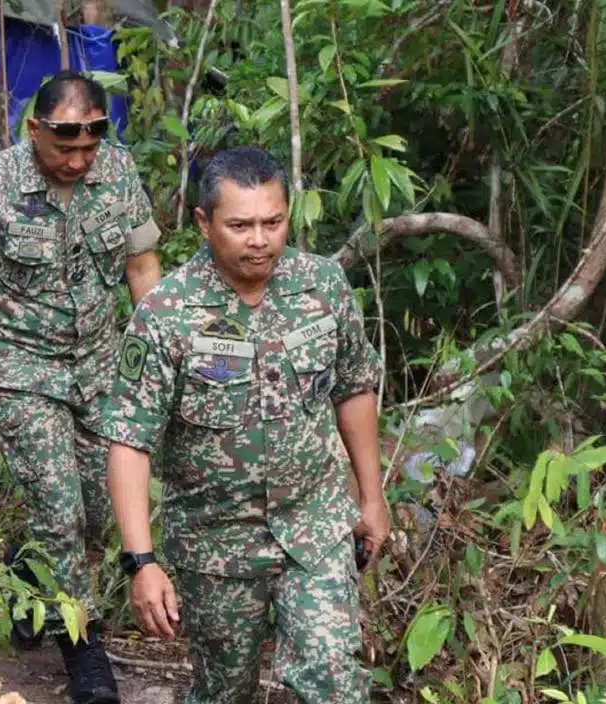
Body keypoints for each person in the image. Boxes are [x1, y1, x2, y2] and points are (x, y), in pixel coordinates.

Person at [99, 146, 391, 703]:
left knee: (334, 677)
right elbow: (130, 441)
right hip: (217, 543)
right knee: (224, 691)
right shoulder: (166, 315)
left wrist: (371, 498)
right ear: (204, 223)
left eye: (272, 222)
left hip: (315, 525)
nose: (259, 239)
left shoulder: (323, 288)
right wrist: (142, 561)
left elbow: (354, 389)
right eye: (240, 225)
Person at [0, 71, 162, 703]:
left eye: (89, 147)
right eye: (63, 147)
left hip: (102, 365)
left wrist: (156, 368)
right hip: (22, 367)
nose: (77, 160)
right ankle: (84, 650)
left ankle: (26, 569)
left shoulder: (119, 174)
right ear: (34, 129)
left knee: (103, 508)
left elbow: (142, 268)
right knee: (60, 507)